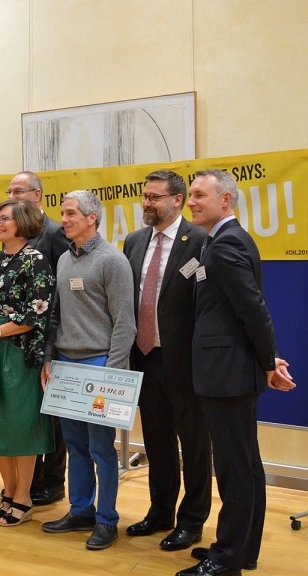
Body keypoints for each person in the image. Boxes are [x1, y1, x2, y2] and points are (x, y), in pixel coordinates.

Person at [176, 170, 295, 576]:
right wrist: (267, 359)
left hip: (227, 374)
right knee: (244, 465)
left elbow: (254, 311)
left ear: (225, 201)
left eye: (199, 196)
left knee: (234, 469)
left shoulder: (226, 245)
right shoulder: (216, 242)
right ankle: (241, 549)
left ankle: (226, 559)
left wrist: (268, 362)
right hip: (226, 371)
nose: (191, 202)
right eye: (190, 195)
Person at [41, 190, 136, 550]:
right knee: (75, 446)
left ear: (91, 218)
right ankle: (81, 510)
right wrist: (49, 357)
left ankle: (106, 519)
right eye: (63, 213)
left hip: (99, 363)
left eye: (70, 214)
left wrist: (112, 374)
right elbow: (55, 314)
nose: (63, 219)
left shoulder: (112, 260)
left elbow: (125, 323)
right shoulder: (64, 259)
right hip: (65, 364)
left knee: (101, 449)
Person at [122, 171, 212, 551]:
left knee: (193, 445)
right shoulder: (134, 240)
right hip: (145, 357)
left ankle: (192, 521)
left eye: (156, 197)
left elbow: (205, 304)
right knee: (156, 442)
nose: (148, 203)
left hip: (184, 361)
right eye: (145, 196)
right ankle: (160, 512)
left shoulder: (201, 242)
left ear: (177, 200)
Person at [0, 198, 55, 527]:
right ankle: (9, 489)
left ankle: (23, 496)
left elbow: (37, 311)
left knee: (19, 424)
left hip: (17, 350)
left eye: (5, 219)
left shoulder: (36, 261)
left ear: (23, 222)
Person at [6, 170, 70, 507]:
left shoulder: (57, 233)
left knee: (53, 412)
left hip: (51, 334)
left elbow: (61, 287)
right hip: (20, 338)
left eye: (20, 190)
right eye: (10, 191)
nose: (14, 196)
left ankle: (54, 480)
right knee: (32, 411)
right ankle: (27, 481)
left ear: (38, 195)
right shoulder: (16, 234)